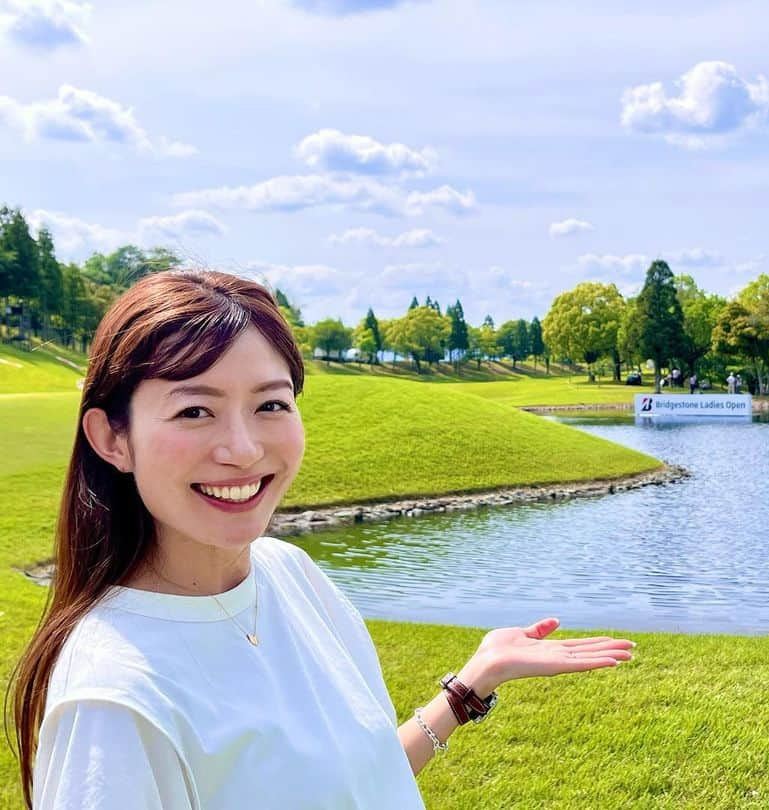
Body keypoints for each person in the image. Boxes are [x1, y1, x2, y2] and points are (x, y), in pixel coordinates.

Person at [8, 270, 634, 809]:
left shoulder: (289, 573)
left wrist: (471, 685)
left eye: (271, 405)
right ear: (112, 438)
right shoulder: (113, 700)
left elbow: (359, 782)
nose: (243, 448)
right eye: (194, 411)